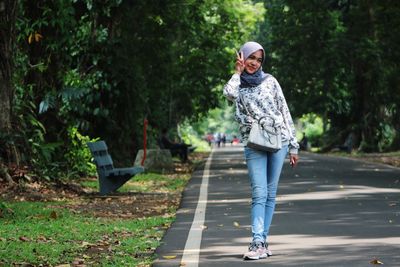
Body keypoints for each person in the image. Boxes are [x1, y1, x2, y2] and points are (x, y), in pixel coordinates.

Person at [223, 41, 299, 260]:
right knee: (259, 193)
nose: (254, 63)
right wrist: (237, 72)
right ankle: (257, 241)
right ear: (242, 57)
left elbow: (284, 111)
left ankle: (262, 241)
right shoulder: (237, 85)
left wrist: (293, 145)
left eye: (259, 59)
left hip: (279, 141)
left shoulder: (270, 81)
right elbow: (228, 94)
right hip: (254, 142)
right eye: (251, 58)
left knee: (270, 194)